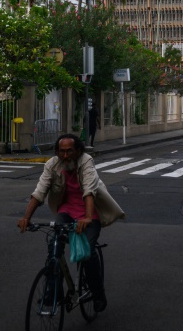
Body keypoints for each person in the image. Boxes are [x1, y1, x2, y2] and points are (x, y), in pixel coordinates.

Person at [18, 133, 125, 313]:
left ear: (77, 151)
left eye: (69, 151)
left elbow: (89, 191)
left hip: (89, 212)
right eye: (62, 151)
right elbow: (39, 192)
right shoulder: (52, 165)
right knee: (54, 245)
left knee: (87, 251)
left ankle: (98, 294)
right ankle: (53, 292)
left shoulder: (86, 161)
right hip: (66, 211)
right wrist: (26, 217)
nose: (65, 155)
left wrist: (88, 217)